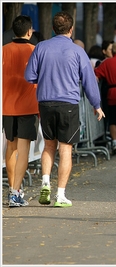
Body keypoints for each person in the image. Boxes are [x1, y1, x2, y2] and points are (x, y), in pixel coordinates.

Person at [24, 11, 105, 207]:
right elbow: (89, 80)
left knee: (49, 146)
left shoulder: (41, 47)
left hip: (45, 103)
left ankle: (45, 183)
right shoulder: (77, 51)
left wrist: (44, 78)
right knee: (66, 148)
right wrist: (97, 104)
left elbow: (29, 76)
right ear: (71, 29)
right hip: (68, 103)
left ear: (53, 29)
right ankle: (60, 195)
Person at [2, 15, 38, 207]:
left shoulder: (3, 51)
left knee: (11, 147)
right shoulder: (34, 50)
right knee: (23, 149)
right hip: (28, 106)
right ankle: (16, 192)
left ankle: (11, 190)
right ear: (29, 31)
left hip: (7, 106)